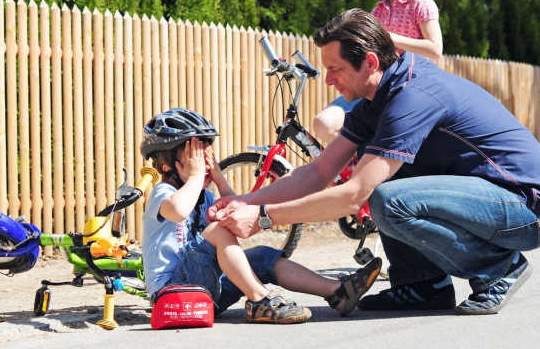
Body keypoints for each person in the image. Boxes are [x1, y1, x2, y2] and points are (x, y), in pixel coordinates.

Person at [209, 9, 540, 316]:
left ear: (370, 61)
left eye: (336, 69)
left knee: (386, 198)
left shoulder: (412, 96)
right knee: (386, 183)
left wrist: (266, 218)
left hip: (527, 207)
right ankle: (424, 285)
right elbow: (319, 171)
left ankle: (499, 268)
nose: (329, 80)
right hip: (488, 201)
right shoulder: (372, 102)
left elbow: (354, 194)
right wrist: (246, 202)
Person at [141, 107, 371, 323]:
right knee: (216, 230)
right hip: (173, 292)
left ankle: (337, 291)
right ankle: (260, 299)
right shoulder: (164, 193)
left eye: (207, 156)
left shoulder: (205, 197)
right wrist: (196, 176)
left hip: (210, 289)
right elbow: (179, 211)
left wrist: (219, 180)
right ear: (167, 165)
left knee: (261, 256)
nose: (205, 165)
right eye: (196, 157)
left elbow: (232, 212)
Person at [313, 0, 443, 145]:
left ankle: (367, 167)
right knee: (323, 122)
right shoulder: (378, 11)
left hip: (407, 90)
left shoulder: (421, 5)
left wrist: (390, 38)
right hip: (376, 90)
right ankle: (355, 168)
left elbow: (435, 50)